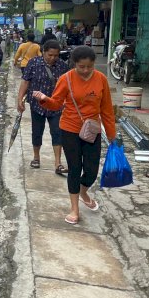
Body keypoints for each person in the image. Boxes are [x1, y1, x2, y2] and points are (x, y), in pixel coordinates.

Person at [32, 46, 116, 226]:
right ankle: (74, 208)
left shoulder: (101, 79)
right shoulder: (66, 78)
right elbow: (56, 104)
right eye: (81, 67)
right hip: (70, 128)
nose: (85, 71)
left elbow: (107, 109)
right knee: (75, 168)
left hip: (92, 129)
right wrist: (44, 99)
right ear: (74, 64)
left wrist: (112, 134)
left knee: (92, 170)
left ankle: (84, 191)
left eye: (89, 67)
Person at [17, 40, 69, 175]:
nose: (53, 58)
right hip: (37, 105)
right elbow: (25, 81)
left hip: (56, 105)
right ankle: (36, 157)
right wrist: (20, 99)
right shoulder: (33, 63)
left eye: (56, 55)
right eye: (50, 55)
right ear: (44, 52)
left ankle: (58, 163)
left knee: (57, 132)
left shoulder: (63, 66)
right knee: (37, 131)